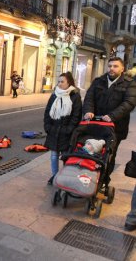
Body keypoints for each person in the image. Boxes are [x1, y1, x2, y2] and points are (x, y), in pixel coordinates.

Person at [83, 57, 136, 187]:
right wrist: (88, 111)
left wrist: (112, 116)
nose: (112, 68)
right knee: (91, 151)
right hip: (95, 125)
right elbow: (89, 98)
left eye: (115, 66)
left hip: (115, 128)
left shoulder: (129, 83)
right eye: (110, 66)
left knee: (108, 156)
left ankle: (103, 180)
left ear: (122, 68)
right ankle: (87, 177)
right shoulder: (98, 81)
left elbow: (129, 103)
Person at [44, 72, 82, 185]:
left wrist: (69, 129)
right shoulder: (54, 94)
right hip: (54, 130)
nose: (59, 84)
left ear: (69, 83)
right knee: (54, 156)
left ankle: (65, 177)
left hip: (66, 132)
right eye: (58, 81)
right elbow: (47, 111)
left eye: (62, 82)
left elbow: (76, 115)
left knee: (66, 156)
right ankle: (55, 176)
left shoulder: (75, 96)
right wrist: (47, 126)